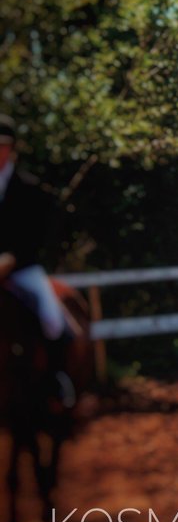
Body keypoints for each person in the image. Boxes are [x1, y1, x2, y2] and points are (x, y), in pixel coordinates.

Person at [0, 114, 75, 407]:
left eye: (3, 145)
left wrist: (12, 259)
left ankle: (57, 379)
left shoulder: (29, 189)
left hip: (22, 270)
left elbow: (35, 234)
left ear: (13, 149)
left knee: (52, 319)